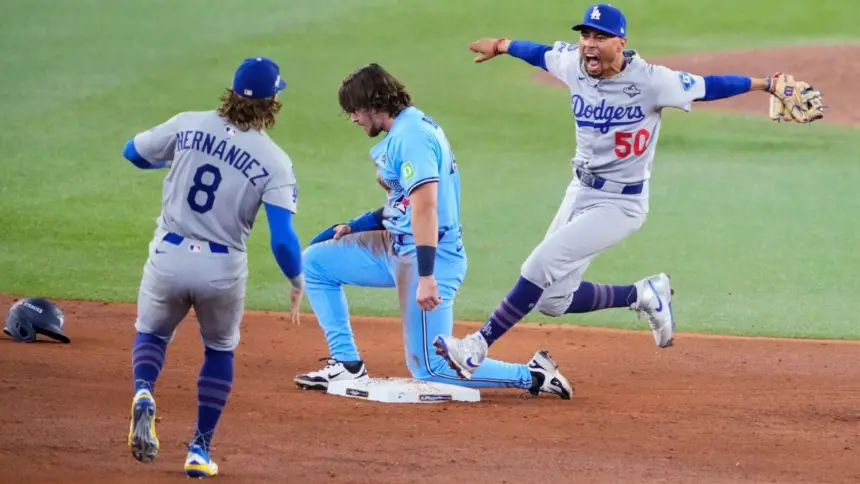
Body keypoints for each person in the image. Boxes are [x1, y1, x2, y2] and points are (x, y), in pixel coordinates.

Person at [433, 3, 824, 379]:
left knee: (540, 265)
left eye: (600, 37)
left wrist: (766, 84)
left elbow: (709, 86)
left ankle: (476, 347)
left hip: (620, 203)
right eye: (585, 35)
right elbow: (539, 54)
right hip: (579, 191)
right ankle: (644, 294)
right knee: (552, 300)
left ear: (620, 42)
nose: (589, 44)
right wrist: (502, 46)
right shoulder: (573, 64)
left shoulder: (653, 81)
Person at [292, 63, 573, 400]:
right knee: (316, 263)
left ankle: (533, 375)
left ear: (373, 103)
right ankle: (346, 363)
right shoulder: (404, 130)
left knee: (430, 367)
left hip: (430, 255)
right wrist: (356, 225)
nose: (352, 118)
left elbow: (426, 208)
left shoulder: (412, 137)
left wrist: (426, 276)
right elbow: (404, 204)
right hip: (395, 246)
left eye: (354, 110)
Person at [123, 56, 305, 478]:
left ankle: (144, 390)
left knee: (152, 334)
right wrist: (296, 279)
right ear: (272, 103)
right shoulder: (275, 161)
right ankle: (199, 450)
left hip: (168, 257)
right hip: (221, 268)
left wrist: (171, 160)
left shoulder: (188, 124)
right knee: (219, 349)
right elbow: (282, 239)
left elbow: (133, 152)